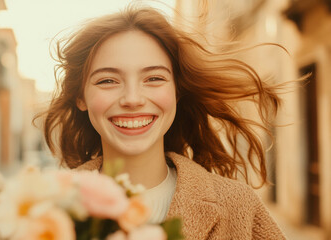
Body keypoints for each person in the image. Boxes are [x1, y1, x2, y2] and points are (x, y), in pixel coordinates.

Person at [40, 5, 286, 239]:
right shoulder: (44, 211)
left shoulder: (237, 205)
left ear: (177, 91)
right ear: (80, 97)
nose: (132, 99)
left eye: (154, 78)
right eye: (107, 81)